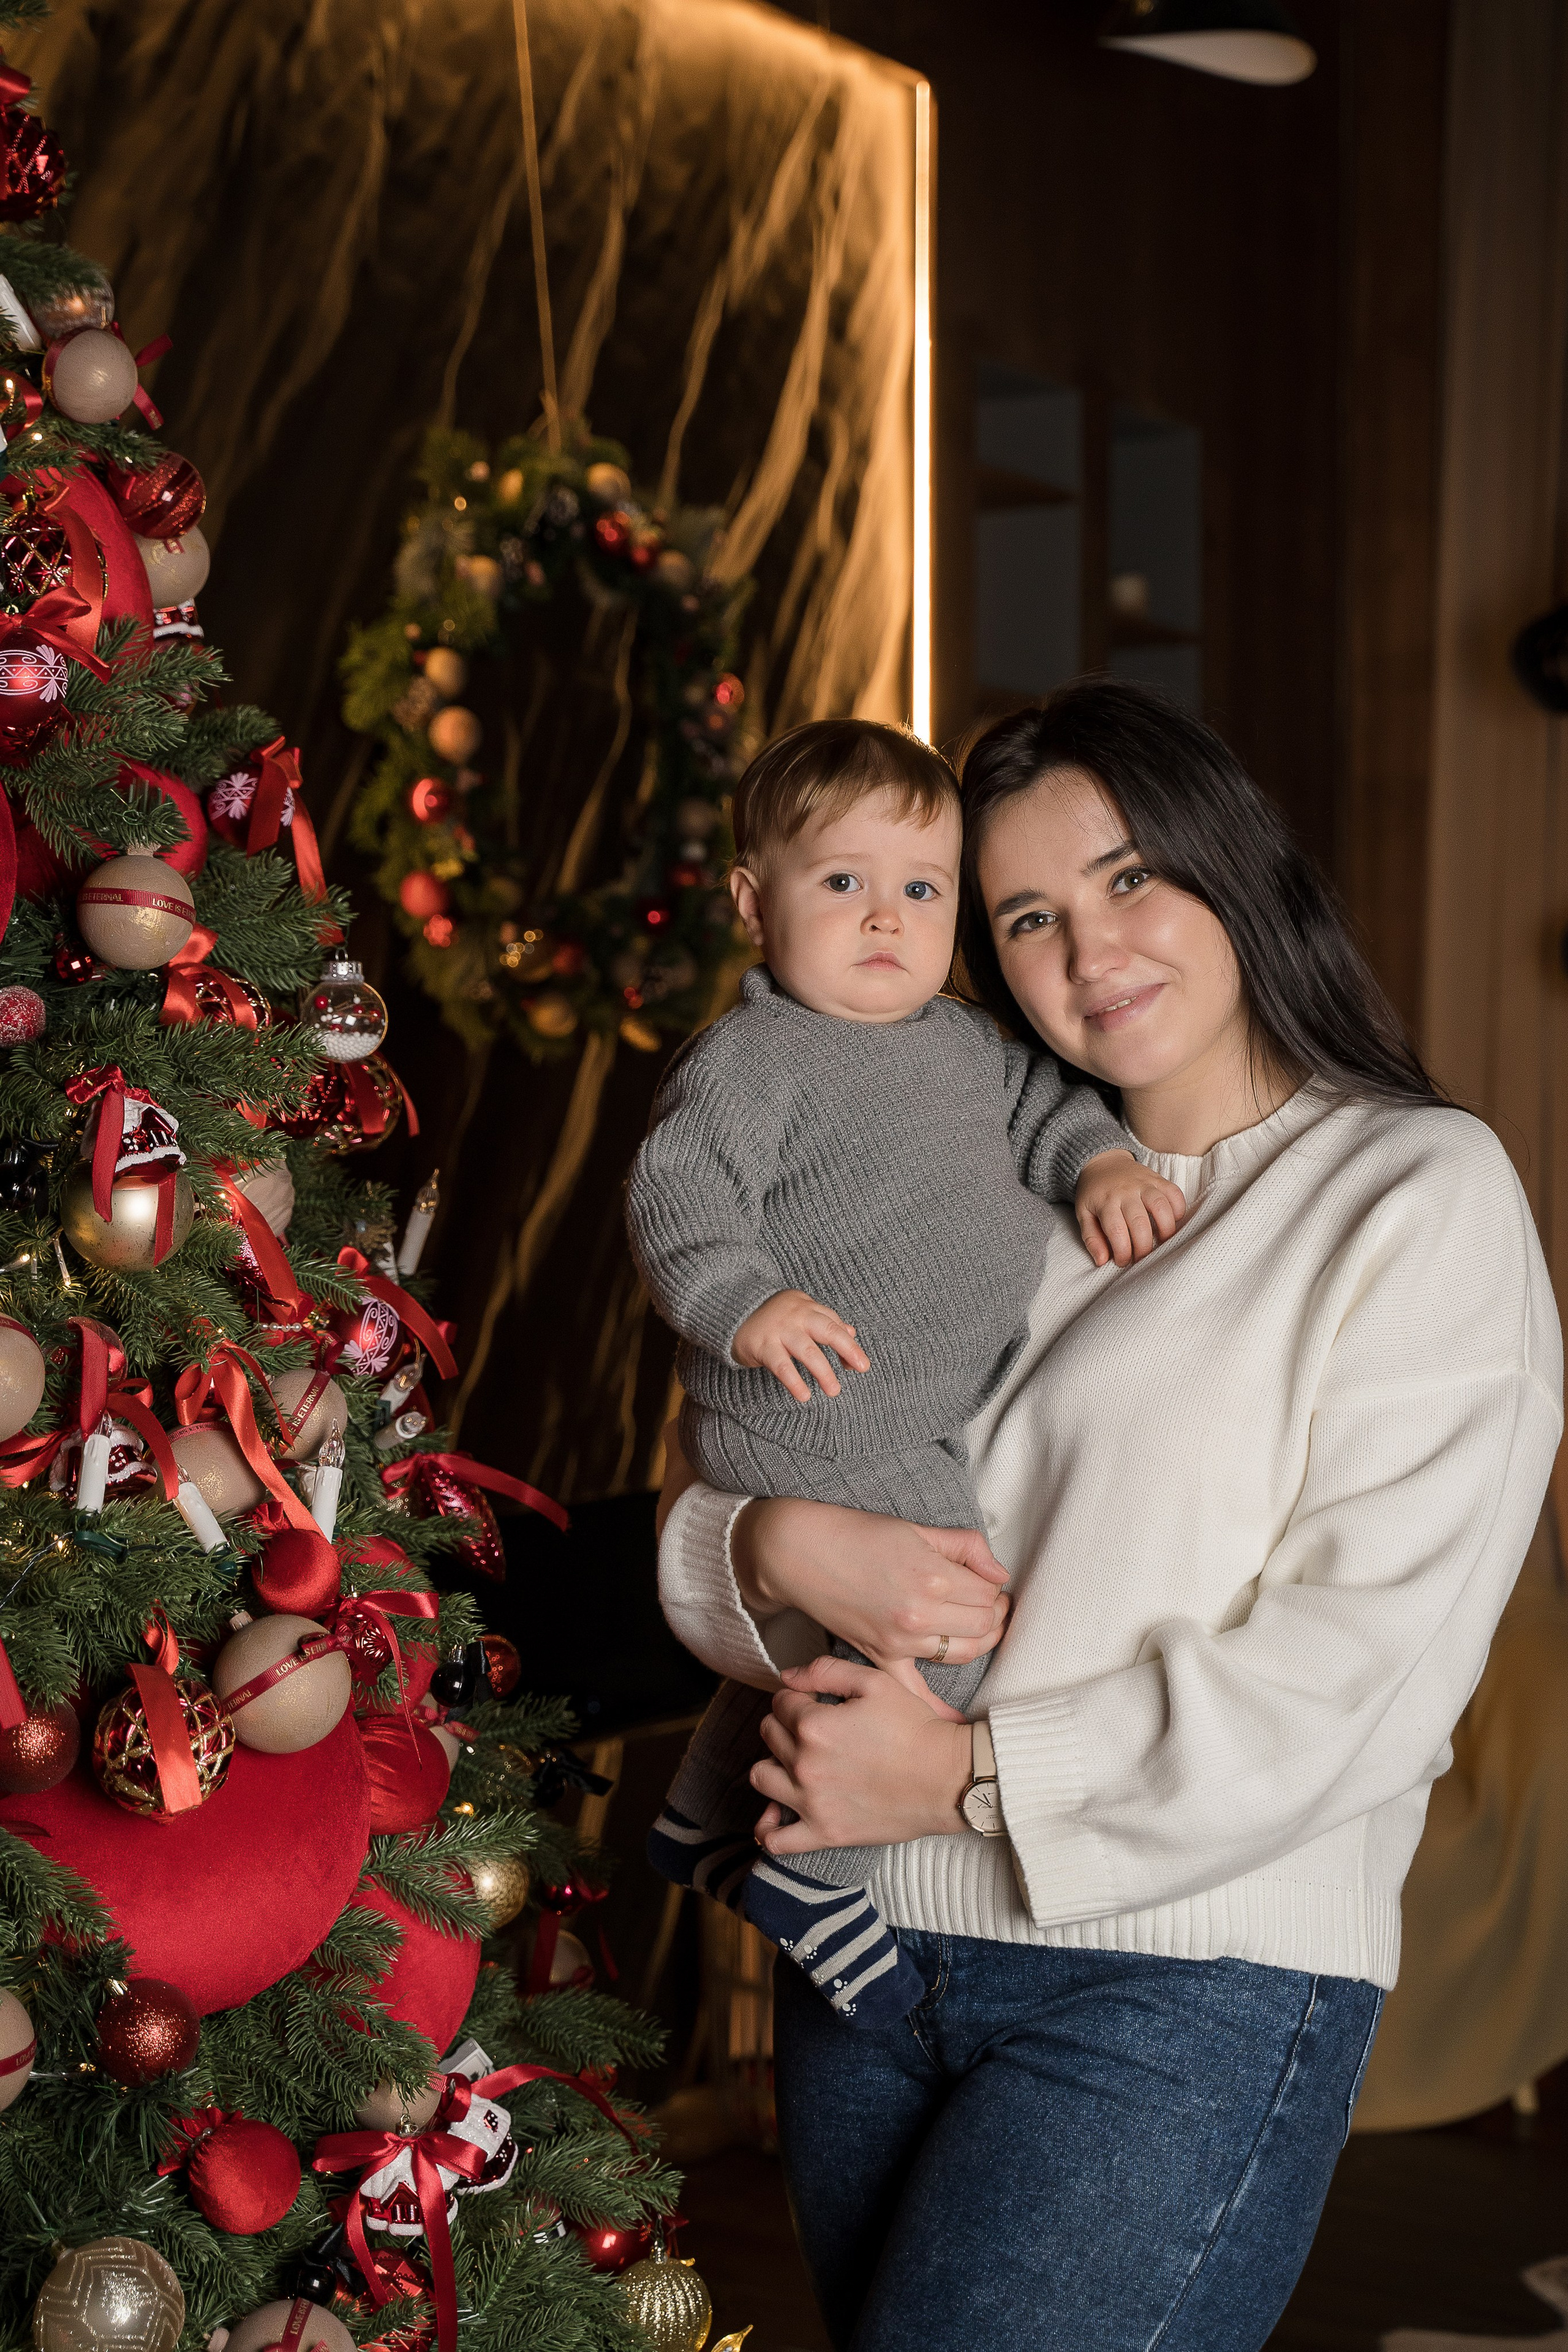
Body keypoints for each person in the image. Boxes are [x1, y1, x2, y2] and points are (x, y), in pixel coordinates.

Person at [654, 680, 1562, 2352]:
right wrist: (769, 1547)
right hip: (869, 1952)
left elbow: (1364, 1667)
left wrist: (967, 1775)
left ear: (1235, 863)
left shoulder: (1412, 1190)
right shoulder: (981, 1181)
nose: (1090, 950)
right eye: (1026, 917)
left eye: (1130, 876)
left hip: (1178, 1985)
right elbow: (750, 1494)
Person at [626, 717, 1184, 2029]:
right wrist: (744, 1302)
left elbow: (1053, 1111)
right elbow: (677, 1196)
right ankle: (815, 1872)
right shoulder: (755, 1057)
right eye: (843, 882)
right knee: (951, 1618)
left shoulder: (967, 1043)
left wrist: (1102, 1163)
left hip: (902, 1418)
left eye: (922, 890)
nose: (886, 917)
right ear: (752, 905)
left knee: (844, 1636)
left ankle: (705, 1814)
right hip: (806, 1410)